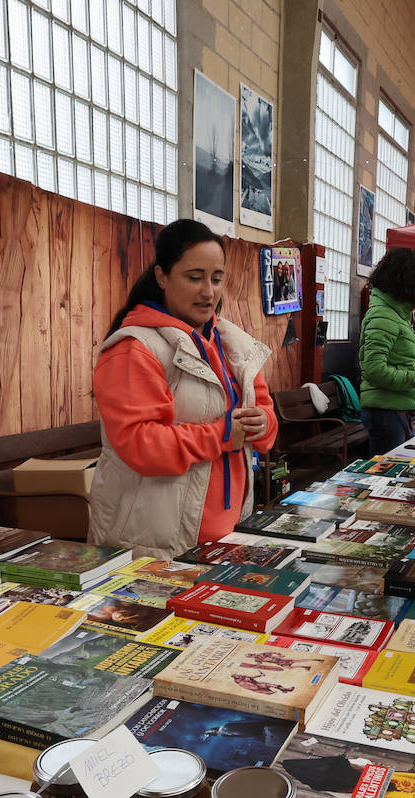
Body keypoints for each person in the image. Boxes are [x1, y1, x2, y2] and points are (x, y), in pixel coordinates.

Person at [89, 219, 278, 559]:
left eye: (217, 278)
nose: (209, 291)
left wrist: (263, 424)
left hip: (228, 533)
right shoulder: (136, 349)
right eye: (194, 278)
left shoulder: (234, 345)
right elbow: (140, 445)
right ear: (162, 276)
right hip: (154, 544)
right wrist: (220, 435)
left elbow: (265, 413)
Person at [359, 246, 415, 454]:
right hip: (387, 413)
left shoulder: (397, 315)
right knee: (388, 476)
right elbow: (375, 369)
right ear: (404, 277)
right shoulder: (383, 316)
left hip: (399, 409)